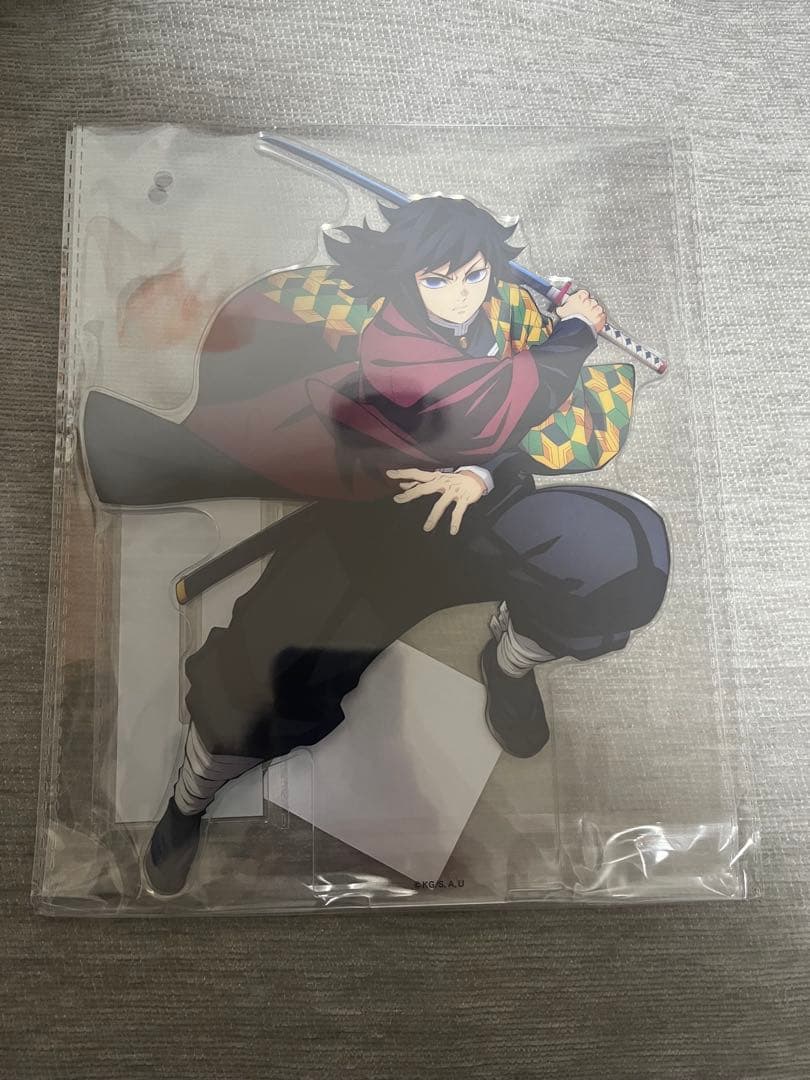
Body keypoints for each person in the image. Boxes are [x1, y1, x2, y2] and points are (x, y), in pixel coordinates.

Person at [81, 197, 670, 896]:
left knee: (621, 554)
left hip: (480, 516)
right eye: (437, 279)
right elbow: (487, 406)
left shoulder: (508, 313)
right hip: (374, 532)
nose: (461, 294)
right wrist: (574, 333)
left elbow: (515, 431)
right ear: (405, 279)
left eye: (474, 273)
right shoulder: (391, 342)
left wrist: (482, 474)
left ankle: (509, 662)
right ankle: (189, 801)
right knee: (261, 681)